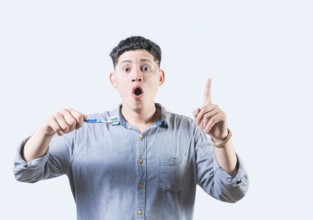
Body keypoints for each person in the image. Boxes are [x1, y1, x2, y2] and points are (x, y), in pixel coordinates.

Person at [14, 36, 249, 220]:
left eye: (145, 68)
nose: (136, 75)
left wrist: (222, 139)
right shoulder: (82, 131)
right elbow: (25, 172)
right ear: (113, 79)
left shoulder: (189, 131)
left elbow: (230, 191)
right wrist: (44, 132)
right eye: (126, 69)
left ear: (161, 77)